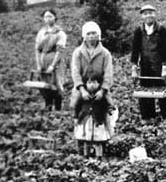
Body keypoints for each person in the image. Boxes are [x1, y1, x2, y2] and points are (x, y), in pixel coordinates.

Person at [70, 21, 115, 156]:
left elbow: (108, 73)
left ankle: (102, 148)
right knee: (80, 115)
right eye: (88, 33)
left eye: (94, 33)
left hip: (99, 88)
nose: (91, 36)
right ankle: (82, 150)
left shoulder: (105, 53)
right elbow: (75, 71)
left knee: (102, 116)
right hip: (82, 89)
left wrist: (103, 90)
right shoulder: (78, 52)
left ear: (98, 35)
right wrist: (82, 89)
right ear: (84, 36)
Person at [131, 5, 166, 122]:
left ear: (155, 14)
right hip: (145, 66)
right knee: (145, 92)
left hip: (159, 65)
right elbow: (135, 51)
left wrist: (164, 67)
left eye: (151, 13)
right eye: (145, 13)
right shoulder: (138, 31)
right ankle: (148, 117)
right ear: (142, 16)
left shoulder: (162, 30)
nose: (148, 15)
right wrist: (134, 68)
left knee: (164, 91)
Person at [33, 9, 67, 111]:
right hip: (44, 63)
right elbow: (37, 50)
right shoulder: (41, 33)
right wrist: (39, 64)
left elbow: (60, 51)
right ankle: (48, 109)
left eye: (50, 16)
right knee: (44, 87)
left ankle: (58, 110)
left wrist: (52, 65)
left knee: (56, 86)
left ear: (55, 18)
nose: (48, 19)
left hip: (55, 64)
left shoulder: (60, 33)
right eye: (46, 17)